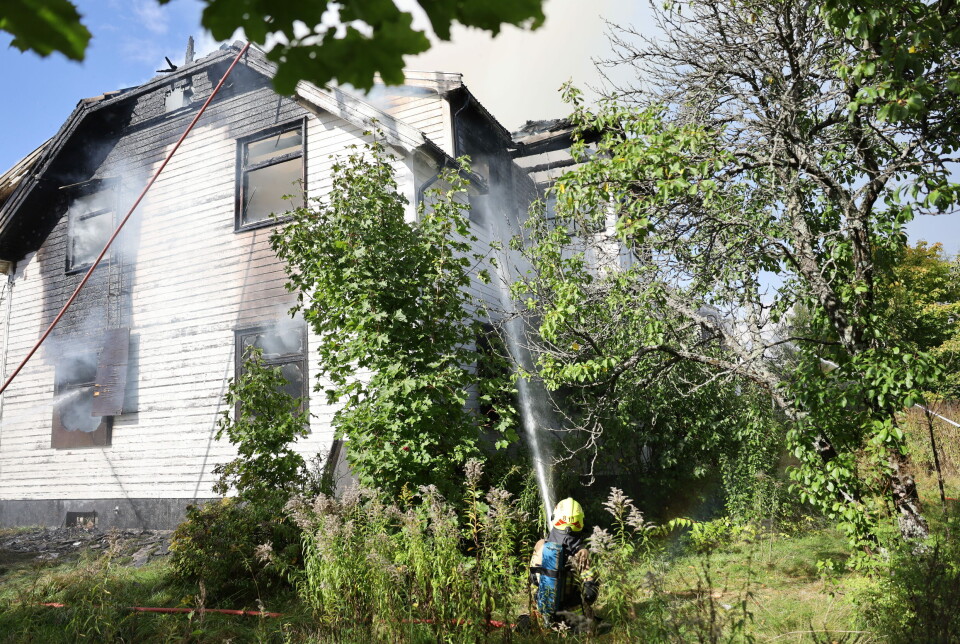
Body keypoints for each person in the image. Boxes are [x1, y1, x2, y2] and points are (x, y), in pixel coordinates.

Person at [522, 497, 600, 632]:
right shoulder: (582, 554)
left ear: (555, 518)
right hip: (573, 620)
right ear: (580, 521)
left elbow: (533, 580)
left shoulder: (541, 545)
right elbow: (590, 593)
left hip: (543, 614)